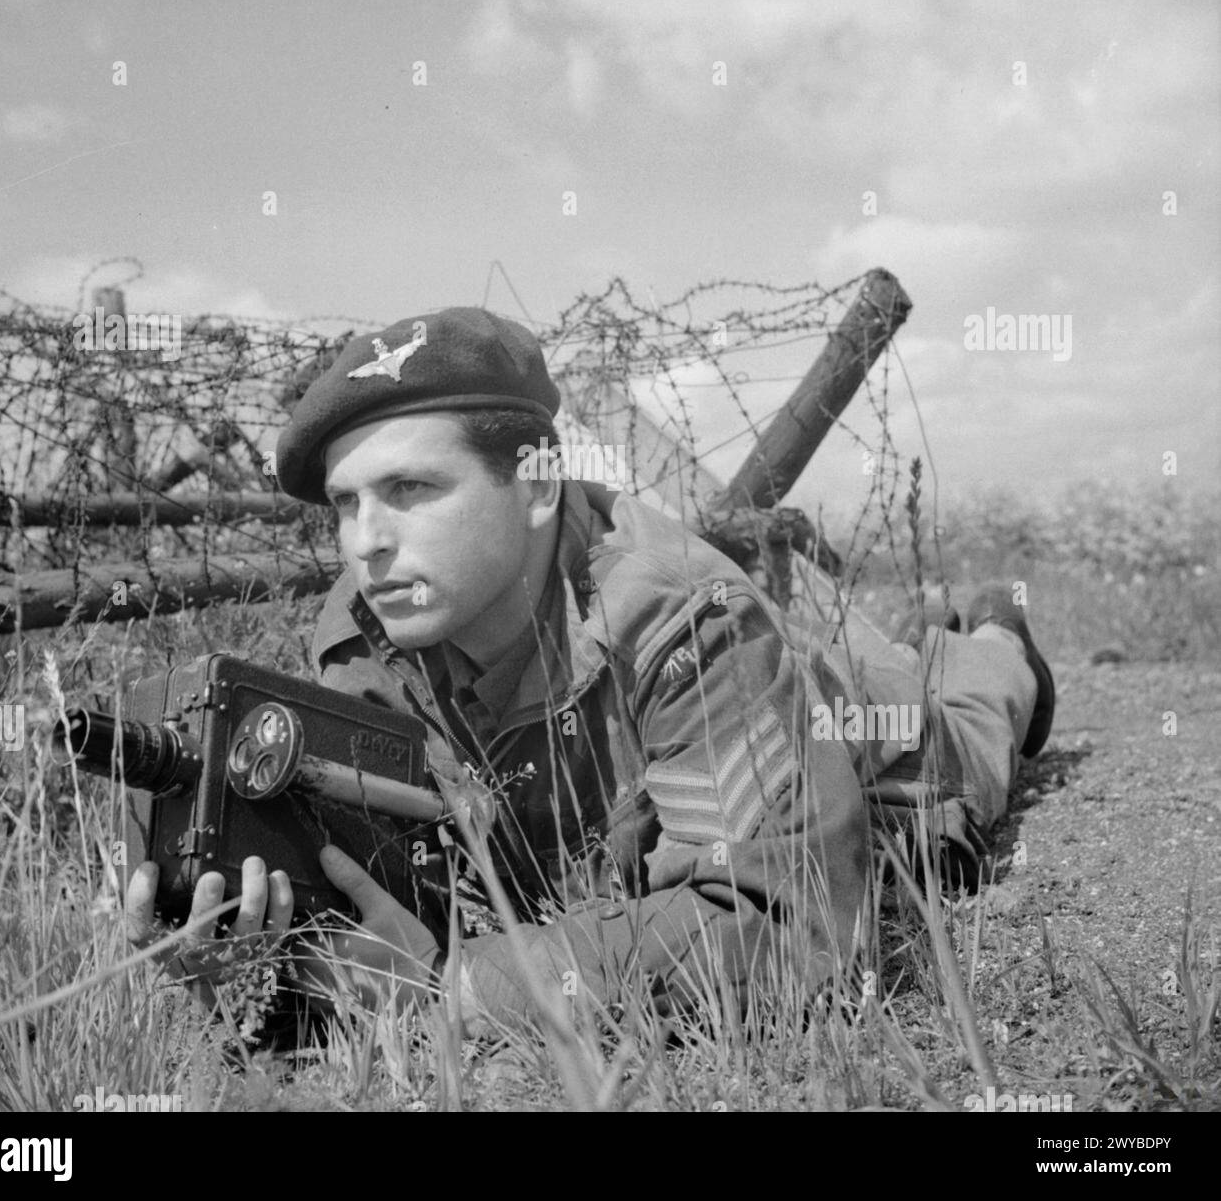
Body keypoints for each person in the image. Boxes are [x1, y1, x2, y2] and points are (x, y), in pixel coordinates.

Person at [124, 306, 1054, 1037]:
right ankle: (928, 631)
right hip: (752, 707)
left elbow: (785, 926)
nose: (364, 541)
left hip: (851, 725)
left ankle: (993, 641)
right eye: (346, 503)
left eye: (410, 489)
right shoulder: (364, 633)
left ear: (534, 484)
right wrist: (262, 961)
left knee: (965, 725)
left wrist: (455, 987)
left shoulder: (679, 618)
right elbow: (398, 902)